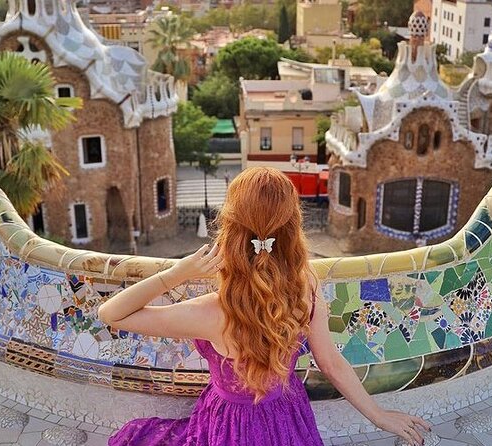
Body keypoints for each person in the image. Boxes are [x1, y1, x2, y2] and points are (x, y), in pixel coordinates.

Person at [98, 167, 430, 446]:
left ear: (229, 229)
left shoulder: (209, 313)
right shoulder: (305, 288)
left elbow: (111, 313)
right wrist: (379, 416)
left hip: (229, 426)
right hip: (287, 418)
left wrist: (176, 273)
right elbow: (330, 363)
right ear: (291, 228)